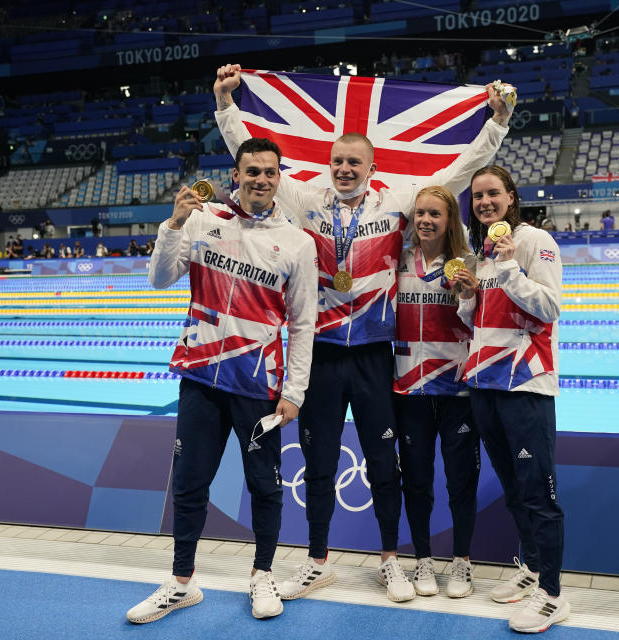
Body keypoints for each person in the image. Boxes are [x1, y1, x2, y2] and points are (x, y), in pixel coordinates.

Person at [212, 62, 511, 602]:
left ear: (371, 168)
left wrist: (496, 123)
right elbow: (252, 158)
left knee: (381, 464)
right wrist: (227, 107)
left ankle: (391, 560)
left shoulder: (396, 200)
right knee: (320, 462)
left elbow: (461, 174)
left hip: (376, 356)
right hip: (324, 354)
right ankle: (318, 560)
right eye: (337, 161)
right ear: (328, 166)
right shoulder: (305, 201)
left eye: (354, 162)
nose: (344, 168)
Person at [128, 137, 318, 623]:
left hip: (258, 385)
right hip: (200, 377)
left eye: (269, 172)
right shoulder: (200, 219)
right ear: (236, 174)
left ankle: (261, 575)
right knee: (190, 482)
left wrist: (294, 392)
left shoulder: (297, 243)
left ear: (279, 178)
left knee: (265, 485)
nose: (260, 179)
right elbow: (159, 278)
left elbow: (303, 323)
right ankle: (182, 581)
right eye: (251, 170)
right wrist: (172, 224)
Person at [458, 166, 568, 633]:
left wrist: (506, 267)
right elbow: (481, 322)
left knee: (538, 493)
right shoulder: (484, 250)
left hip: (524, 385)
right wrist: (467, 296)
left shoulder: (534, 241)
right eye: (478, 196)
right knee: (514, 490)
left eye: (493, 194)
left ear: (511, 197)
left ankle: (553, 593)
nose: (484, 202)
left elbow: (548, 307)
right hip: (485, 386)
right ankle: (530, 569)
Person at [393, 186, 480, 599]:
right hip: (408, 388)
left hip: (456, 390)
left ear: (450, 221)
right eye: (421, 213)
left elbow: (480, 323)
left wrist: (467, 296)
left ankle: (461, 561)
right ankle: (423, 558)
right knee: (417, 480)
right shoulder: (397, 262)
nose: (426, 220)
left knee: (461, 481)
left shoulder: (467, 265)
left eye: (435, 214)